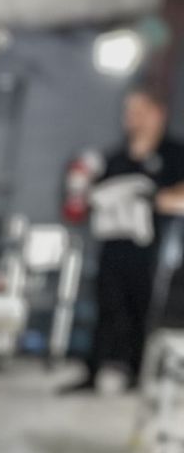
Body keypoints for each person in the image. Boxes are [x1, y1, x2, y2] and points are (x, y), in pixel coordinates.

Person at [64, 86, 184, 392]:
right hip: (114, 244)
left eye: (139, 112)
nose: (131, 119)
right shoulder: (114, 157)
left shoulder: (174, 154)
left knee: (146, 310)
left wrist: (158, 198)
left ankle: (139, 375)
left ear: (158, 114)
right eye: (129, 112)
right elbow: (87, 198)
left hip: (157, 248)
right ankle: (93, 371)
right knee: (105, 305)